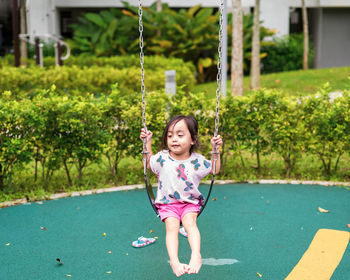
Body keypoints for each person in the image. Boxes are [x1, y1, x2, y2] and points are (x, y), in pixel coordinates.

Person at [140, 115, 223, 277]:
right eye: (170, 135)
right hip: (167, 203)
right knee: (171, 227)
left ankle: (196, 255)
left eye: (180, 134)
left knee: (190, 224)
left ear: (193, 139)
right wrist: (147, 142)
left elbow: (214, 169)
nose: (174, 139)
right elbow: (148, 163)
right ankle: (174, 260)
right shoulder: (163, 158)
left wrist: (216, 150)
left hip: (189, 203)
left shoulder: (197, 161)